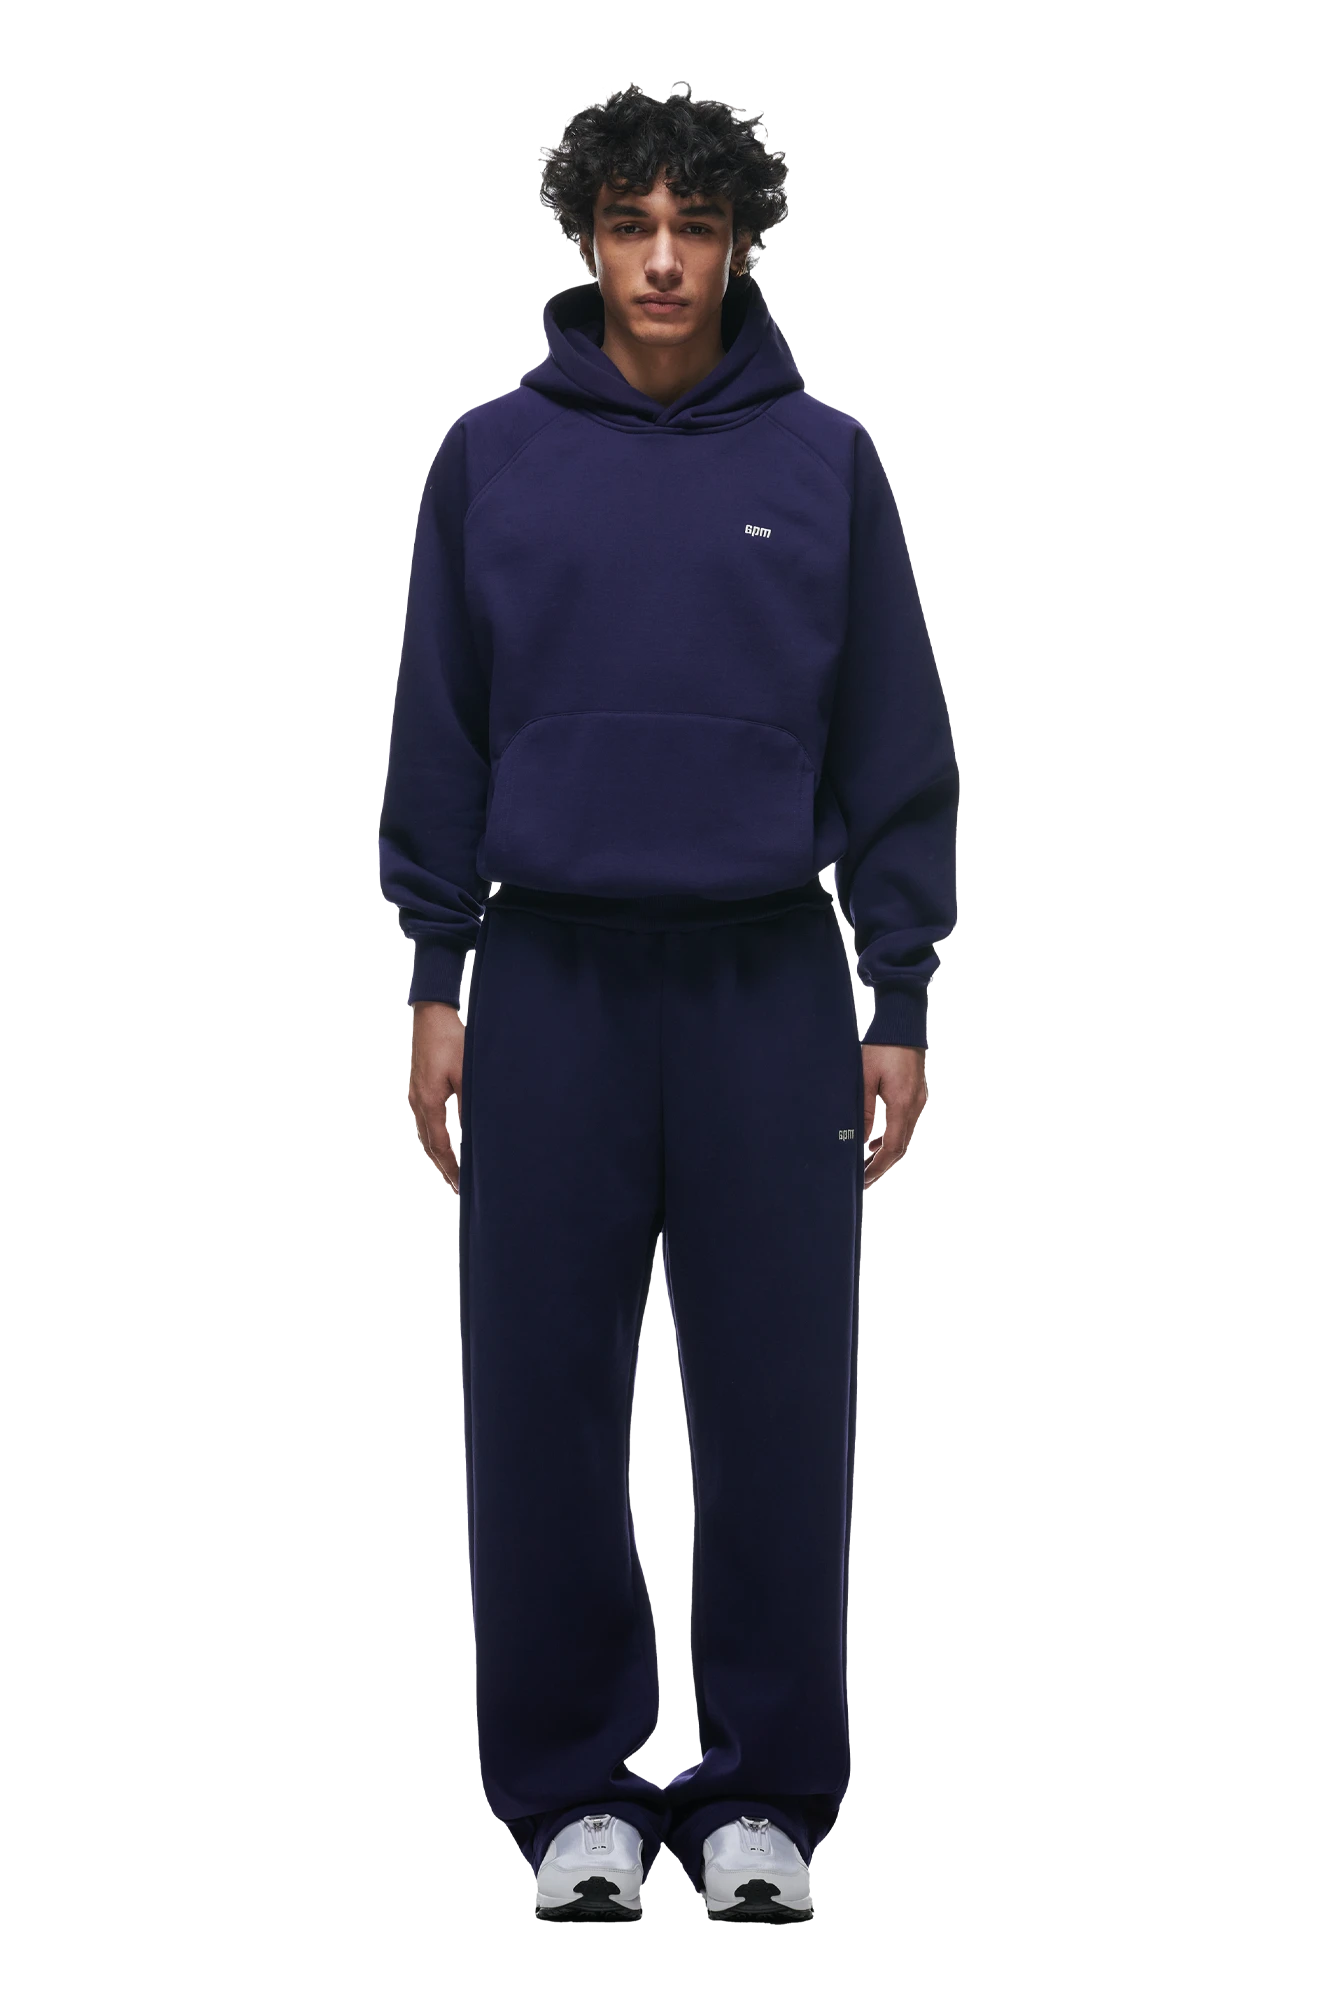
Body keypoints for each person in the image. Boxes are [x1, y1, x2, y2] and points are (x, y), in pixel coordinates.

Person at [377, 84, 958, 1927]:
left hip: (766, 982)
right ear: (582, 236)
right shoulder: (487, 458)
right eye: (629, 225)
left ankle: (769, 1790)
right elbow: (440, 729)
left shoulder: (830, 464)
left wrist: (897, 993)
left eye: (692, 230)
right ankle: (574, 1798)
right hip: (546, 975)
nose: (659, 262)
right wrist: (437, 974)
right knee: (540, 1393)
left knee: (780, 1395)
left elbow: (896, 744)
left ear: (741, 245)